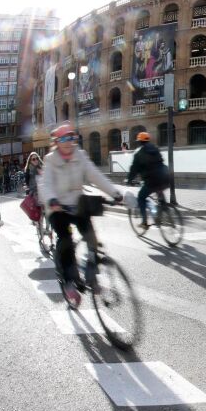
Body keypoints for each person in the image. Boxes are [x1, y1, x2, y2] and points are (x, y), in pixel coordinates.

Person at [41, 121, 123, 303]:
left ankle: (92, 273)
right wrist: (51, 200)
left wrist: (115, 193)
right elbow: (45, 184)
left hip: (77, 203)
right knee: (66, 240)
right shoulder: (50, 160)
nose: (68, 142)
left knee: (90, 235)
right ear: (57, 141)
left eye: (72, 137)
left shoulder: (81, 156)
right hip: (57, 207)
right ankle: (69, 281)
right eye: (63, 138)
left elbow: (96, 176)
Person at [126, 132, 170, 229]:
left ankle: (144, 222)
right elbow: (161, 161)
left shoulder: (138, 153)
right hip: (165, 178)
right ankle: (164, 209)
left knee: (141, 198)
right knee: (160, 191)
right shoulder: (155, 148)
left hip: (151, 181)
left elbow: (134, 169)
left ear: (139, 142)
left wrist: (129, 180)